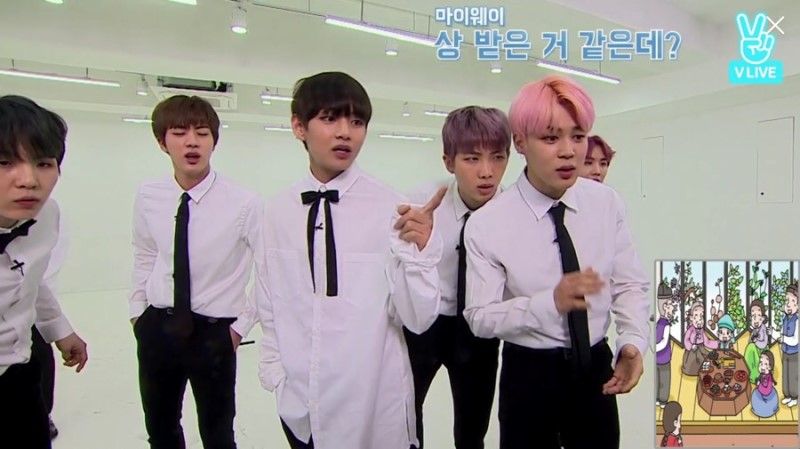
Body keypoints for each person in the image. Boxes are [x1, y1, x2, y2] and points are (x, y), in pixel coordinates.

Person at [254, 71, 442, 449]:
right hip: (301, 406)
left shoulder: (391, 208)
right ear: (298, 126)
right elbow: (268, 298)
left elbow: (419, 319)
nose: (345, 133)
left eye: (357, 122)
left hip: (372, 401)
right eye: (329, 119)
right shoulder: (277, 210)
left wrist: (420, 255)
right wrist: (276, 374)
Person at [463, 75, 650, 449]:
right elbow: (479, 317)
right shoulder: (488, 224)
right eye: (551, 138)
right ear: (520, 142)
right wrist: (548, 303)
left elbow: (629, 283)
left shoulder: (605, 203)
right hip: (529, 374)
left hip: (596, 366)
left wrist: (632, 343)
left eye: (578, 136)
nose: (568, 151)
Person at [129, 95, 261, 448]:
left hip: (214, 334)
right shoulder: (149, 195)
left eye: (202, 133)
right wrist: (137, 313)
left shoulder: (244, 203)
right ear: (162, 142)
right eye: (179, 132)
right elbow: (144, 252)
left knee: (218, 436)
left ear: (214, 141)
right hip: (157, 327)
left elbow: (269, 271)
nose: (192, 142)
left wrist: (239, 329)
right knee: (161, 430)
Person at [402, 106, 510, 449]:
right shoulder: (421, 202)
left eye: (498, 157)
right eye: (472, 158)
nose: (486, 172)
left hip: (478, 329)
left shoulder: (514, 214)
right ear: (449, 162)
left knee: (472, 430)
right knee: (405, 417)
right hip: (425, 323)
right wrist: (417, 247)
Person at [0, 95, 88, 449]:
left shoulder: (46, 216)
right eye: (5, 162)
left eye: (43, 163)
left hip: (17, 371)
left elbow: (29, 277)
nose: (28, 180)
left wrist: (59, 329)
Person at [655, 285, 676, 408]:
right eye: (671, 304)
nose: (672, 307)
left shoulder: (659, 323)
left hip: (658, 357)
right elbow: (663, 342)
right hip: (663, 358)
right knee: (664, 378)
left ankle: (659, 399)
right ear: (665, 306)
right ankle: (662, 399)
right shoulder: (665, 324)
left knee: (659, 378)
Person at [779, 284, 798, 407]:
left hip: (794, 353)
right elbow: (782, 332)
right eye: (787, 300)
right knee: (785, 374)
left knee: (793, 375)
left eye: (793, 301)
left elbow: (795, 340)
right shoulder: (785, 319)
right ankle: (787, 395)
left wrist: (782, 338)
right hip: (785, 351)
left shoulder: (797, 321)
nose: (789, 304)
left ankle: (794, 396)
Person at [751, 351, 779, 418]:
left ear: (770, 367)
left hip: (767, 401)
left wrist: (759, 386)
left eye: (766, 364)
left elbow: (766, 392)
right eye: (761, 363)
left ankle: (763, 411)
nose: (762, 366)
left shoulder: (769, 379)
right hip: (760, 401)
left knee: (755, 393)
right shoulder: (761, 375)